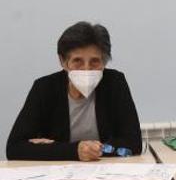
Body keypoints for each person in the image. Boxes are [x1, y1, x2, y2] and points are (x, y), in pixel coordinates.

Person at [7, 21, 143, 161]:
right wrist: (75, 151)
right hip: (58, 174)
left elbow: (134, 144)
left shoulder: (115, 83)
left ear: (104, 62)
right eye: (77, 61)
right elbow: (14, 148)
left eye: (94, 61)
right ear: (63, 62)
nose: (86, 69)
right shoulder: (44, 88)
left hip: (107, 173)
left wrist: (54, 148)